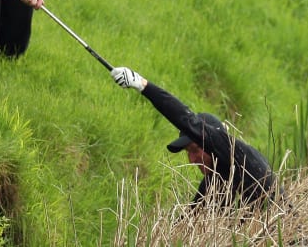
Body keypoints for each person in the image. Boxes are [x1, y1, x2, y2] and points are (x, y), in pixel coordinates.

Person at [110, 66, 277, 207]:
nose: (192, 159)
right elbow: (188, 222)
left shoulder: (239, 154)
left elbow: (185, 119)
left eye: (196, 149)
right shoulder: (214, 182)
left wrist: (142, 84)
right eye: (188, 152)